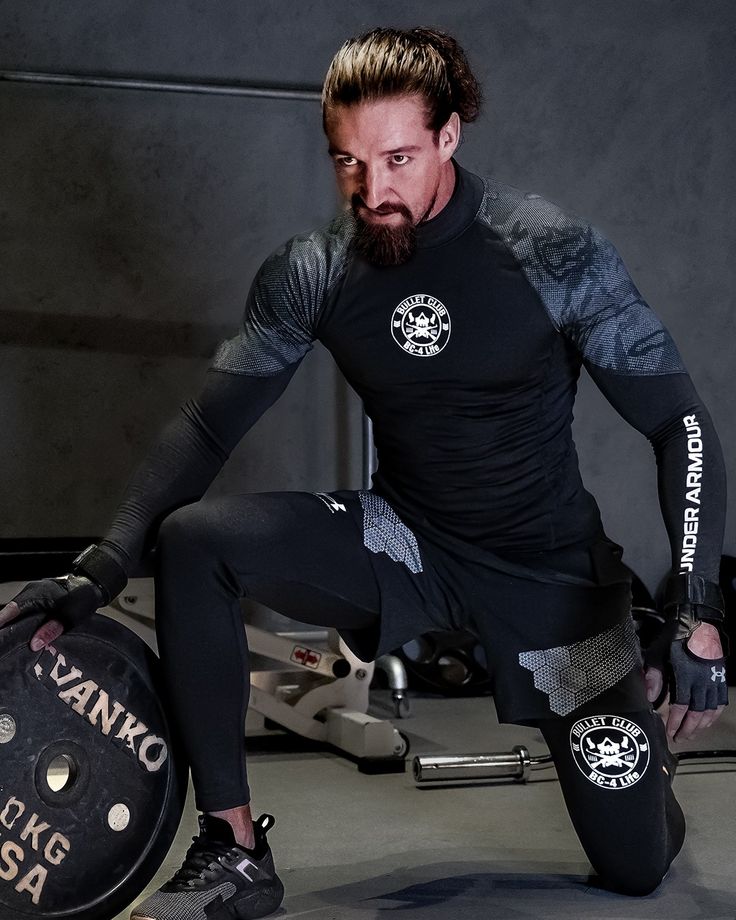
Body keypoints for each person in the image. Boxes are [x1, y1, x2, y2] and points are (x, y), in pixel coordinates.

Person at [0, 26, 728, 920]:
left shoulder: (552, 255)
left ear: (450, 136)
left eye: (397, 158)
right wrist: (102, 561)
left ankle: (641, 731)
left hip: (552, 584)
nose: (373, 191)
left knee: (635, 866)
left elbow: (680, 426)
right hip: (408, 543)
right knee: (196, 542)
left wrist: (695, 616)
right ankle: (233, 850)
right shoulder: (312, 272)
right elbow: (205, 425)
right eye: (348, 163)